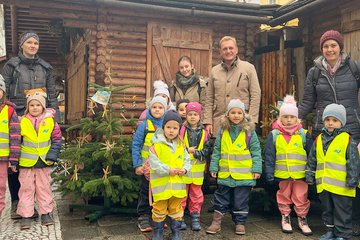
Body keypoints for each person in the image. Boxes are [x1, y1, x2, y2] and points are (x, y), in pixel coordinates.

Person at [298, 30, 360, 235]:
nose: (329, 49)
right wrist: (292, 118)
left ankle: (349, 226)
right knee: (328, 179)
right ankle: (333, 227)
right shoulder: (315, 72)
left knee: (351, 178)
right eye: (326, 46)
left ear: (340, 47)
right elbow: (308, 100)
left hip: (351, 130)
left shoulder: (353, 67)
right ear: (322, 49)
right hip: (323, 132)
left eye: (333, 45)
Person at [2, 31, 59, 219]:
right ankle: (18, 204)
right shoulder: (11, 66)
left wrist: (53, 118)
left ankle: (41, 204)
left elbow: (52, 94)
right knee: (16, 159)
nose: (33, 45)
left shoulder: (46, 68)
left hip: (40, 118)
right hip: (16, 116)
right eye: (29, 42)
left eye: (36, 42)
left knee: (40, 164)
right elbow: (5, 92)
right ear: (22, 45)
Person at [206, 99, 262, 235]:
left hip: (244, 174)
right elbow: (217, 151)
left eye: (239, 113)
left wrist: (256, 169)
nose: (236, 115)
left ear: (244, 115)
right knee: (221, 198)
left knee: (240, 201)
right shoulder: (222, 132)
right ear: (227, 115)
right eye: (233, 112)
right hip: (225, 173)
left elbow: (256, 152)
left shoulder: (249, 132)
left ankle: (240, 222)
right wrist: (213, 168)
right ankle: (216, 222)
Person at [305, 103, 359, 240]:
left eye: (335, 120)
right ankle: (330, 230)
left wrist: (353, 179)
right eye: (327, 120)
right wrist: (310, 175)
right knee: (327, 210)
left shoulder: (347, 139)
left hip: (342, 186)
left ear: (341, 122)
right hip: (324, 184)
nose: (330, 123)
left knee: (342, 211)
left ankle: (342, 234)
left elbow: (353, 161)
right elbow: (312, 159)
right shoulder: (319, 139)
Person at [264, 95, 313, 235]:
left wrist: (311, 173)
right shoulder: (274, 135)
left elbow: (311, 156)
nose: (289, 119)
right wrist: (269, 173)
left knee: (300, 197)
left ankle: (302, 219)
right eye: (285, 117)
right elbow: (269, 156)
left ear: (297, 119)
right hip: (282, 174)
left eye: (292, 116)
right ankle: (285, 217)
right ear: (280, 118)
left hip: (300, 175)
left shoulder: (304, 134)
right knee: (284, 196)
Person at [17, 88, 62, 229]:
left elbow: (57, 140)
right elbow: (16, 141)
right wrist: (14, 160)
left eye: (37, 105)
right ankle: (26, 215)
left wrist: (52, 156)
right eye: (31, 105)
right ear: (27, 106)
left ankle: (46, 213)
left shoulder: (50, 121)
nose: (35, 107)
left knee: (44, 188)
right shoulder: (22, 122)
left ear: (43, 106)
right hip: (26, 162)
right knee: (26, 189)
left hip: (44, 161)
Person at [203, 36, 261, 136]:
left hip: (242, 123)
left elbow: (255, 95)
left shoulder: (249, 68)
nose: (228, 51)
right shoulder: (214, 71)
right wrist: (208, 121)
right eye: (225, 49)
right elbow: (209, 98)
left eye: (231, 48)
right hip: (219, 123)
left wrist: (252, 120)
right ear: (220, 52)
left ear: (237, 50)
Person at [149, 110, 191, 240]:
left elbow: (187, 160)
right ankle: (158, 232)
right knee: (159, 210)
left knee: (176, 210)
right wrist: (168, 170)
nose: (171, 131)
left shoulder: (181, 145)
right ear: (163, 127)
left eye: (175, 128)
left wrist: (185, 169)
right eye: (168, 127)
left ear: (179, 129)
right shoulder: (156, 145)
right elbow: (154, 164)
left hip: (177, 187)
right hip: (161, 186)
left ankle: (176, 232)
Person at [132, 96, 167, 232]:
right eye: (154, 107)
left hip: (162, 168)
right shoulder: (144, 126)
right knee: (146, 191)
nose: (157, 110)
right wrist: (137, 165)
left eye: (160, 107)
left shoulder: (167, 125)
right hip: (147, 168)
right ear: (149, 109)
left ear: (165, 110)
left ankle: (157, 217)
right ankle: (143, 217)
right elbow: (136, 145)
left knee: (160, 192)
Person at [179, 102, 212, 231]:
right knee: (182, 194)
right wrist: (187, 150)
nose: (192, 117)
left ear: (200, 116)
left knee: (196, 195)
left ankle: (195, 217)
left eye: (195, 114)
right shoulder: (181, 130)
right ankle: (179, 217)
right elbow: (178, 148)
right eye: (190, 114)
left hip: (197, 171)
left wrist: (195, 152)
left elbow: (207, 150)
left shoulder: (204, 133)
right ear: (186, 116)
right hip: (184, 170)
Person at [0, 76, 20, 217]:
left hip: (3, 158)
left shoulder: (9, 111)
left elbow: (14, 137)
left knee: (0, 188)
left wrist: (13, 159)